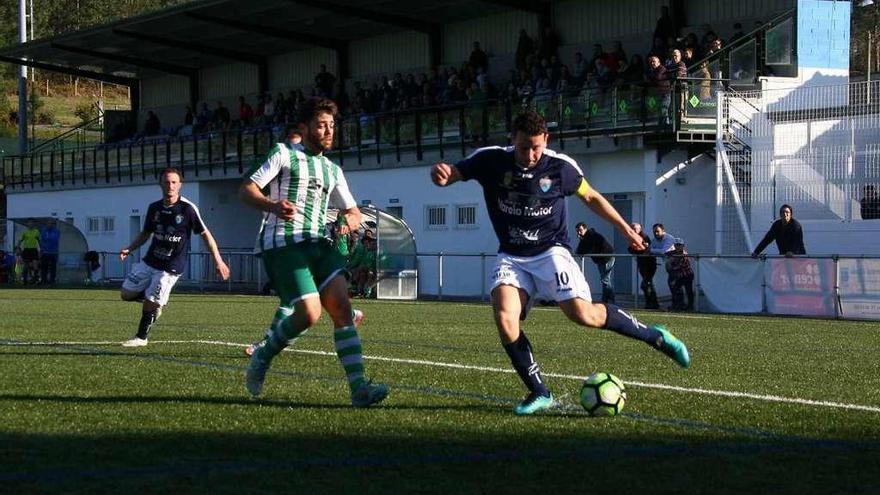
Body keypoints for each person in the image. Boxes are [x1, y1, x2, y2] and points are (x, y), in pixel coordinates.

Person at [430, 110, 690, 415]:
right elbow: (457, 173)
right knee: (504, 316)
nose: (530, 154)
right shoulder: (490, 160)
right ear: (512, 139)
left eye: (536, 147)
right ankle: (540, 392)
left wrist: (626, 230)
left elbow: (591, 197)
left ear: (546, 140)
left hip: (552, 251)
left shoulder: (560, 168)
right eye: (524, 146)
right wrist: (445, 176)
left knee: (582, 314)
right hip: (512, 255)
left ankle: (656, 336)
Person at [239, 97, 388, 407]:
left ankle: (359, 389)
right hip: (284, 243)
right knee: (309, 313)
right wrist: (273, 205)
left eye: (332, 126)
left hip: (319, 245)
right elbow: (247, 190)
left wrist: (350, 219)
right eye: (322, 125)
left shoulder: (332, 170)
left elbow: (354, 210)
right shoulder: (283, 154)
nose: (328, 131)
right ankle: (263, 356)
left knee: (343, 310)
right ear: (304, 127)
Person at [119, 168, 230, 347]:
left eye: (173, 182)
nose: (170, 186)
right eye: (166, 182)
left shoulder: (187, 209)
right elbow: (146, 233)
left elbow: (206, 235)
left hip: (171, 266)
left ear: (180, 185)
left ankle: (141, 337)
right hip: (151, 261)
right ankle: (157, 302)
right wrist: (129, 248)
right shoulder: (154, 208)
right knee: (125, 294)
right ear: (160, 184)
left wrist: (218, 260)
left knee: (150, 302)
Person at [574, 222, 616, 303]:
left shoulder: (591, 236)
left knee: (605, 279)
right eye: (577, 231)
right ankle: (606, 299)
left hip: (606, 258)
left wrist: (581, 242)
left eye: (580, 230)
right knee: (605, 279)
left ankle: (609, 299)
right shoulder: (587, 237)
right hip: (602, 258)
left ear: (585, 229)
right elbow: (581, 249)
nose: (579, 233)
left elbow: (583, 249)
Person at [629, 223, 659, 309]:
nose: (634, 230)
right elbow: (630, 249)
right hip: (642, 264)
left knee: (645, 284)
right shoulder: (634, 237)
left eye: (635, 229)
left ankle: (651, 303)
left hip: (649, 264)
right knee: (648, 284)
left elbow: (647, 250)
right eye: (633, 228)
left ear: (640, 229)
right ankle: (652, 303)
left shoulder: (644, 237)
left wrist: (638, 249)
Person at [666, 238, 694, 311]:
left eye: (679, 245)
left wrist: (670, 263)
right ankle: (677, 305)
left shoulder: (684, 255)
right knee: (675, 289)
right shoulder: (674, 252)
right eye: (676, 245)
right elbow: (666, 253)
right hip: (680, 275)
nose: (677, 247)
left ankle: (690, 306)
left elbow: (678, 267)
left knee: (689, 291)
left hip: (687, 275)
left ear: (683, 246)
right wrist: (670, 256)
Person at [16, 220, 41, 284]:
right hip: (26, 250)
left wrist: (41, 249)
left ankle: (35, 279)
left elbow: (39, 241)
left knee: (35, 264)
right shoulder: (25, 232)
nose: (30, 224)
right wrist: (18, 248)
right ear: (27, 224)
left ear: (33, 224)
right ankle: (25, 280)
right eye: (29, 223)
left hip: (34, 249)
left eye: (32, 223)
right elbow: (20, 240)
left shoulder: (36, 231)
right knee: (26, 265)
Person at [39, 218, 61, 285]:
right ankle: (43, 280)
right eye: (48, 223)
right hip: (45, 252)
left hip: (53, 252)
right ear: (46, 224)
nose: (50, 224)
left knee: (53, 268)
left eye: (51, 223)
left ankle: (52, 281)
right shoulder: (43, 231)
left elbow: (54, 239)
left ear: (53, 224)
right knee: (44, 267)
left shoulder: (56, 231)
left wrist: (48, 239)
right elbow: (42, 240)